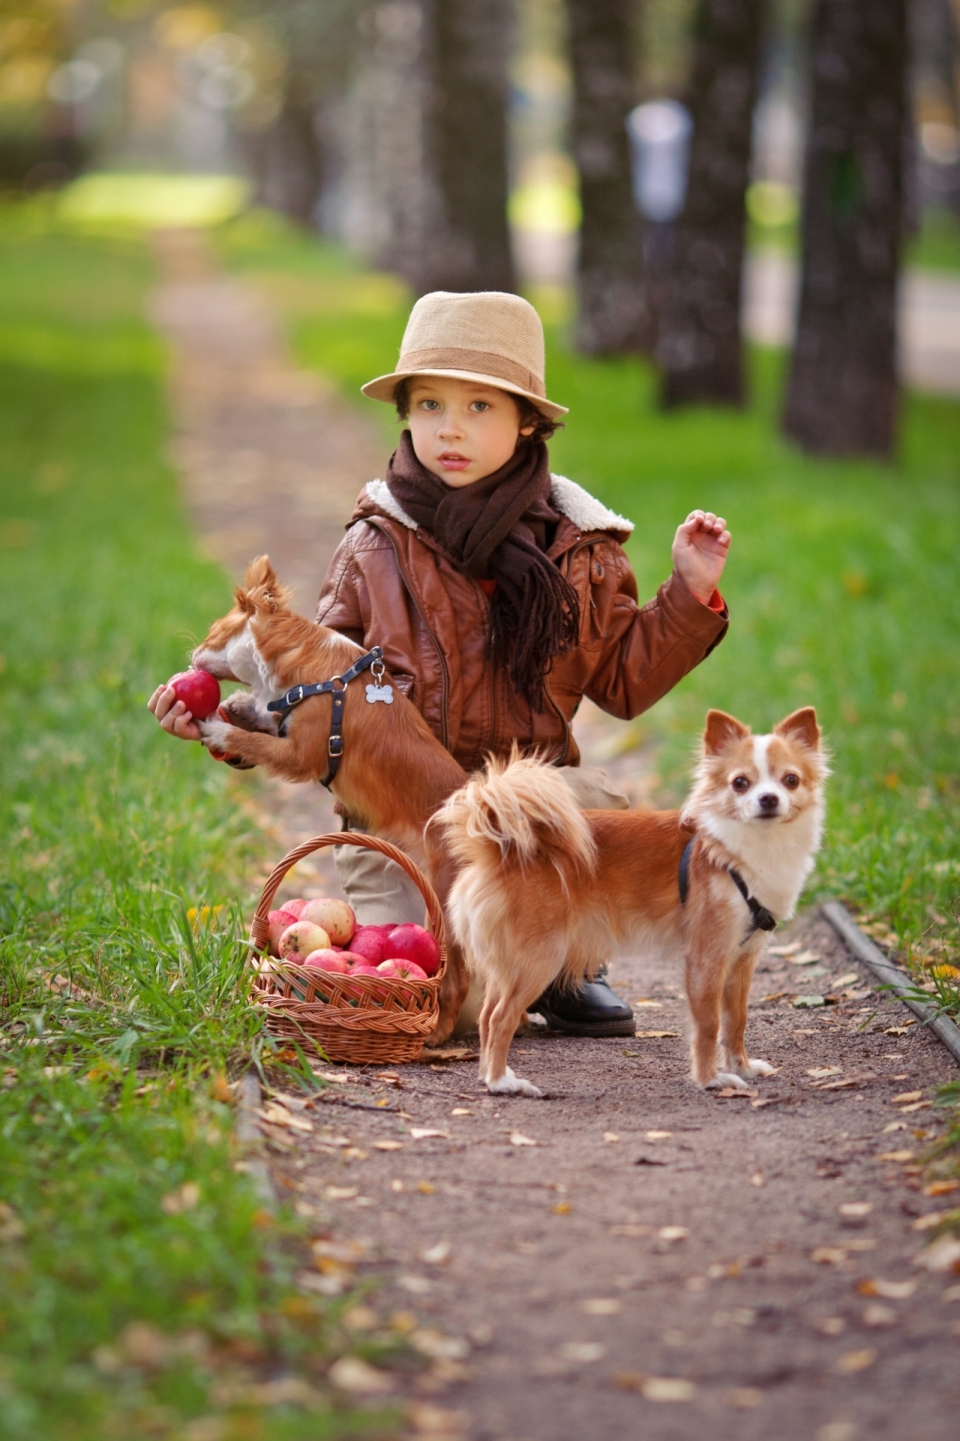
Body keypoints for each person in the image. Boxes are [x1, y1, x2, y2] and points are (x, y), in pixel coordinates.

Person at [150, 289, 730, 1036]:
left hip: (523, 814)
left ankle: (557, 966)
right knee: (436, 1007)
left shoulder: (577, 548)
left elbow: (623, 679)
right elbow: (310, 700)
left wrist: (688, 593)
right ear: (406, 416)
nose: (449, 428)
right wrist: (221, 724)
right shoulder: (374, 546)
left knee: (590, 808)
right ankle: (515, 963)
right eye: (428, 405)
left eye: (479, 407)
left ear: (527, 421)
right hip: (403, 822)